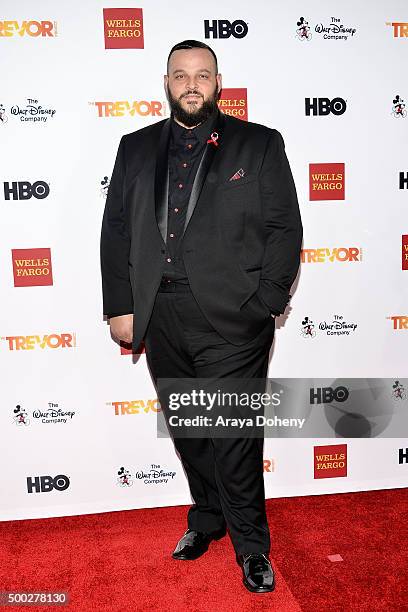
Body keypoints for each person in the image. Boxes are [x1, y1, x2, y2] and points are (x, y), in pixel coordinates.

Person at [100, 40, 303, 594]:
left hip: (233, 318)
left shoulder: (258, 143)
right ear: (166, 82)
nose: (192, 84)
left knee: (234, 434)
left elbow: (285, 228)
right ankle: (208, 519)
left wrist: (266, 302)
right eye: (181, 75)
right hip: (160, 313)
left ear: (219, 82)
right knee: (190, 428)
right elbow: (116, 227)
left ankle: (252, 547)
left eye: (203, 75)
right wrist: (121, 305)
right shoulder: (135, 147)